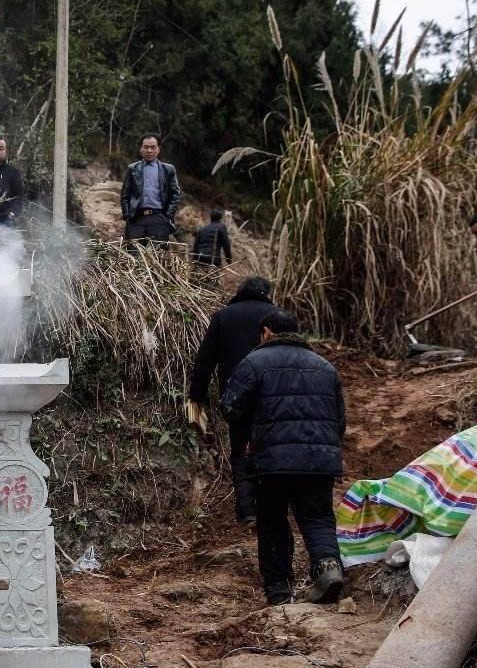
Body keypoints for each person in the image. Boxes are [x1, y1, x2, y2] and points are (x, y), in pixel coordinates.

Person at [221, 309, 346, 606]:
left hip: (271, 461)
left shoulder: (253, 363)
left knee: (272, 521)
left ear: (266, 331)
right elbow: (339, 421)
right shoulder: (325, 368)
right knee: (318, 518)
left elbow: (230, 407)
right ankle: (328, 568)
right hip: (319, 459)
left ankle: (278, 590)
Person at [187, 276, 279, 525]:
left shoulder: (223, 316)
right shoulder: (277, 316)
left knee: (240, 450)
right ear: (266, 292)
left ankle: (248, 511)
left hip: (237, 396)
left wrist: (195, 400)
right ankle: (272, 506)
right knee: (271, 447)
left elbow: (204, 362)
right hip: (273, 395)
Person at [120, 133, 182, 248]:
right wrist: (127, 214)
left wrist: (167, 215)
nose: (149, 151)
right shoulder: (133, 169)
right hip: (136, 218)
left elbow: (175, 194)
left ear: (158, 149)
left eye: (153, 147)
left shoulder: (168, 169)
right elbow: (125, 194)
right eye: (146, 147)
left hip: (159, 217)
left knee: (158, 256)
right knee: (134, 255)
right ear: (141, 149)